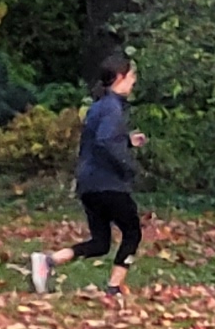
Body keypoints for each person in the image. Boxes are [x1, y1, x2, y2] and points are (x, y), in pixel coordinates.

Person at [50, 47, 146, 293]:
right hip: (108, 184)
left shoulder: (99, 106)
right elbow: (104, 142)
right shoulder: (113, 108)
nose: (134, 81)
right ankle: (114, 287)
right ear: (119, 78)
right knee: (132, 233)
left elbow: (99, 139)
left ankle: (49, 261)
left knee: (101, 243)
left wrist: (126, 140)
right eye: (132, 76)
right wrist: (129, 166)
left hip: (89, 185)